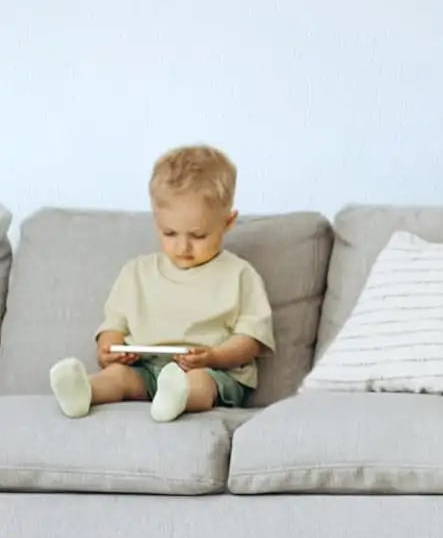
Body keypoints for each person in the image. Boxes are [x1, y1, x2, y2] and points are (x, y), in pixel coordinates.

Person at [48, 144, 274, 424]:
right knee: (117, 376)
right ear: (156, 220)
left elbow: (251, 340)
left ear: (227, 223)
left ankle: (177, 397)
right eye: (169, 233)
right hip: (145, 368)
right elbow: (113, 326)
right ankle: (83, 392)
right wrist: (110, 350)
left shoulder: (240, 275)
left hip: (213, 370)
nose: (182, 247)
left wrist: (214, 356)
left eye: (198, 236)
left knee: (200, 383)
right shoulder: (136, 272)